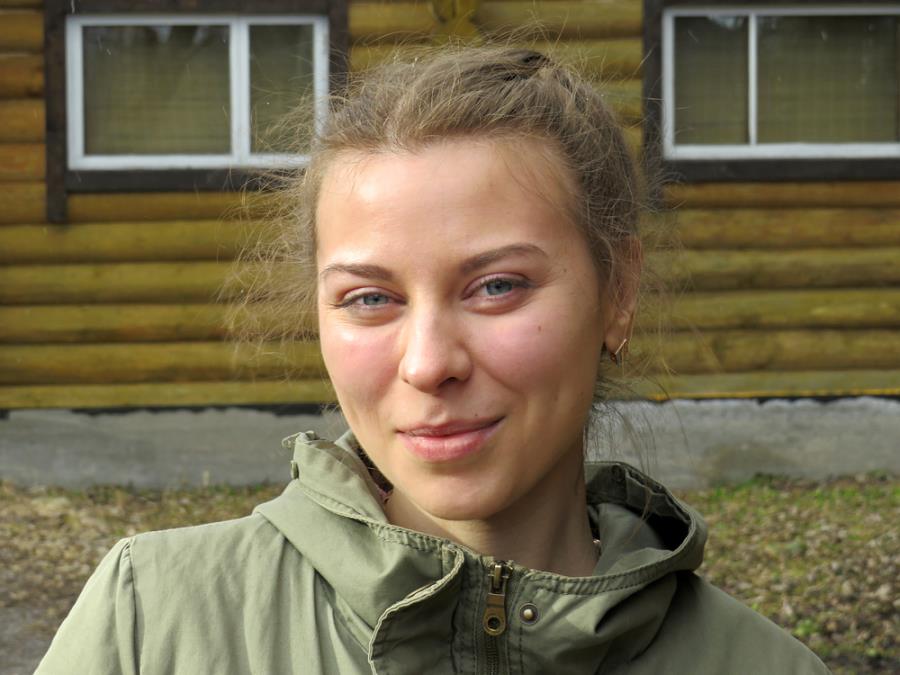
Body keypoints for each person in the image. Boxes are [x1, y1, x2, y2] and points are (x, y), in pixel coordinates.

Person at [37, 46, 829, 674]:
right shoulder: (151, 624)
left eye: (496, 286)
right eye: (369, 297)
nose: (427, 363)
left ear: (616, 291)